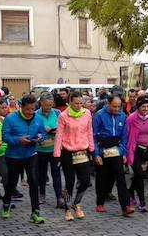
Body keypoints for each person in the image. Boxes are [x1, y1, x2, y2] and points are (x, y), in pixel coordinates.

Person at [2, 94, 46, 224]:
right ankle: (6, 203)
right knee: (12, 183)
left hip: (31, 154)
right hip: (13, 155)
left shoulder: (38, 118)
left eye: (33, 109)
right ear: (21, 107)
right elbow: (4, 136)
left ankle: (35, 212)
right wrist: (18, 140)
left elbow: (43, 133)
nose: (30, 112)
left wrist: (40, 137)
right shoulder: (10, 118)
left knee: (33, 182)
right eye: (28, 109)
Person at [54, 91, 94, 222]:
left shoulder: (87, 113)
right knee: (70, 182)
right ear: (70, 102)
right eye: (76, 103)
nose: (78, 106)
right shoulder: (63, 116)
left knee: (86, 180)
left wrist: (92, 148)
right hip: (68, 152)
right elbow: (59, 135)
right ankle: (67, 209)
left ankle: (77, 203)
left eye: (81, 103)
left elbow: (89, 131)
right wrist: (57, 154)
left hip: (82, 151)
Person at [93, 94, 133, 216]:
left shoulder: (122, 116)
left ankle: (125, 206)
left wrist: (123, 152)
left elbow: (125, 136)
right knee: (102, 177)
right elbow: (93, 135)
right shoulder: (99, 115)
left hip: (116, 150)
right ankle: (100, 203)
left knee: (120, 177)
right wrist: (96, 154)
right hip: (102, 149)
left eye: (119, 107)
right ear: (108, 104)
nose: (116, 109)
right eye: (114, 106)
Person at [126, 96, 148, 212]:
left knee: (140, 174)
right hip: (134, 149)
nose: (146, 109)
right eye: (143, 106)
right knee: (139, 174)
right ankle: (142, 202)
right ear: (138, 107)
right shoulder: (131, 118)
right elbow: (126, 135)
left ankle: (130, 191)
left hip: (147, 149)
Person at [35, 93, 64, 208]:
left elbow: (63, 128)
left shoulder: (57, 113)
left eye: (50, 105)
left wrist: (56, 131)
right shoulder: (36, 114)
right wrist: (41, 131)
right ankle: (41, 194)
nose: (48, 107)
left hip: (54, 148)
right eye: (46, 105)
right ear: (41, 103)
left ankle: (59, 197)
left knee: (56, 173)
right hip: (40, 148)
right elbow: (32, 129)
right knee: (41, 174)